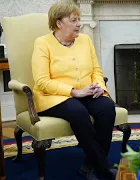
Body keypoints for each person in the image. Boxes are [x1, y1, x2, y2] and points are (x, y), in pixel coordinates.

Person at [31, 1, 116, 179]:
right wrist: (74, 92)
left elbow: (96, 70)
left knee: (107, 108)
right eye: (73, 20)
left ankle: (89, 165)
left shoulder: (85, 40)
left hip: (86, 91)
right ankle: (103, 165)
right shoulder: (42, 43)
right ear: (58, 23)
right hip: (54, 97)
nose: (79, 24)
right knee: (78, 112)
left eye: (79, 19)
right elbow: (41, 81)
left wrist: (99, 86)